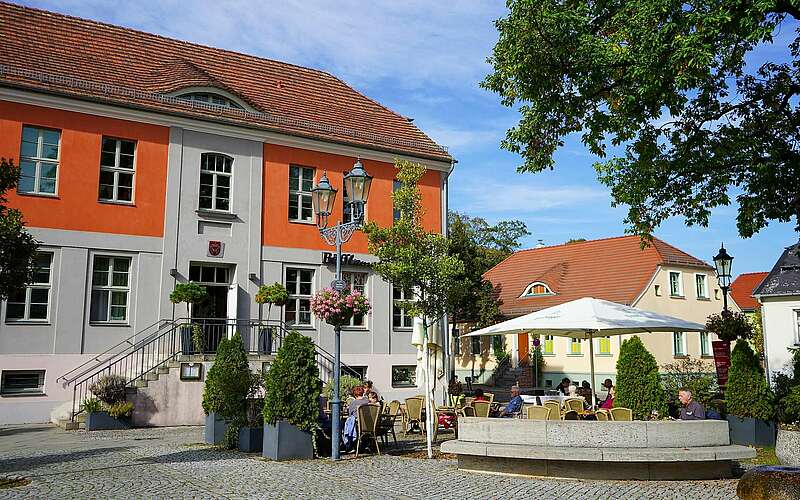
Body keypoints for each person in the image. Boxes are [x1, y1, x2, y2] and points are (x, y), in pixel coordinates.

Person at [342, 386, 368, 450]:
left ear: (355, 394)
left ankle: (348, 444)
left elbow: (349, 413)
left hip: (358, 424)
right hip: (368, 424)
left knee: (343, 424)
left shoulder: (354, 403)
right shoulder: (367, 401)